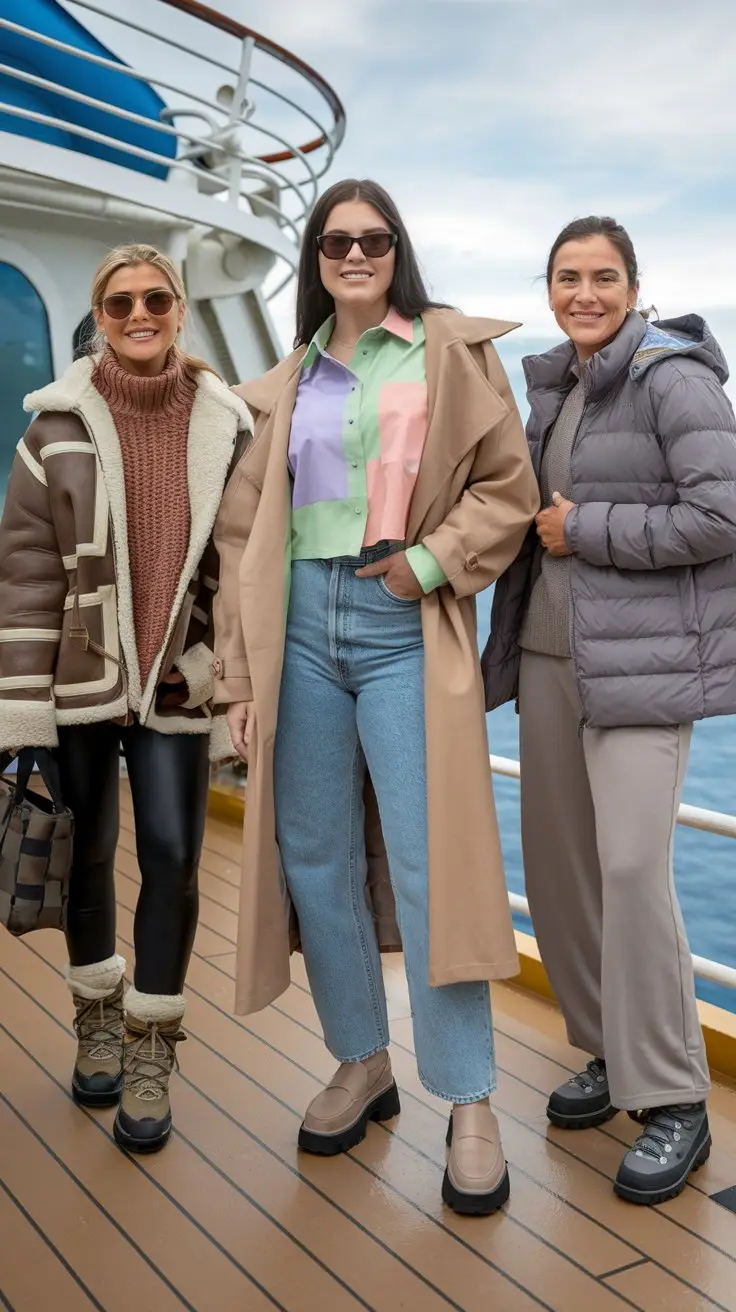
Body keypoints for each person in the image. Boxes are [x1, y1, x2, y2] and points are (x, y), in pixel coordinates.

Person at [210, 178, 538, 1215]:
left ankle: (470, 1099)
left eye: (375, 239)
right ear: (314, 257)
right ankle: (361, 1058)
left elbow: (507, 488)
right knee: (316, 857)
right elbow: (240, 536)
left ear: (397, 251)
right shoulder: (287, 380)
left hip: (403, 617)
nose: (355, 254)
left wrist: (425, 567)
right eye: (336, 241)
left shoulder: (449, 352)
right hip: (299, 624)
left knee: (432, 859)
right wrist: (238, 677)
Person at [483, 216, 736, 1205]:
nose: (583, 294)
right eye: (566, 278)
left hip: (642, 672)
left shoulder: (674, 377)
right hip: (553, 658)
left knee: (630, 871)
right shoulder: (558, 387)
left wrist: (584, 526)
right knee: (561, 874)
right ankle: (607, 1051)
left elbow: (720, 515)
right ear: (548, 290)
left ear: (633, 286)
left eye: (601, 277)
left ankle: (673, 1096)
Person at [0, 243, 251, 1152]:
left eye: (155, 299)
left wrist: (213, 666)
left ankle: (152, 1045)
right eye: (119, 303)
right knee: (89, 854)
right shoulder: (53, 428)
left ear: (179, 309)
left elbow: (242, 569)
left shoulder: (229, 426)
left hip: (175, 683)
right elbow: (27, 574)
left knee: (175, 858)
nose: (138, 314)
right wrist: (20, 705)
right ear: (100, 318)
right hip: (78, 682)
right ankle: (97, 1021)